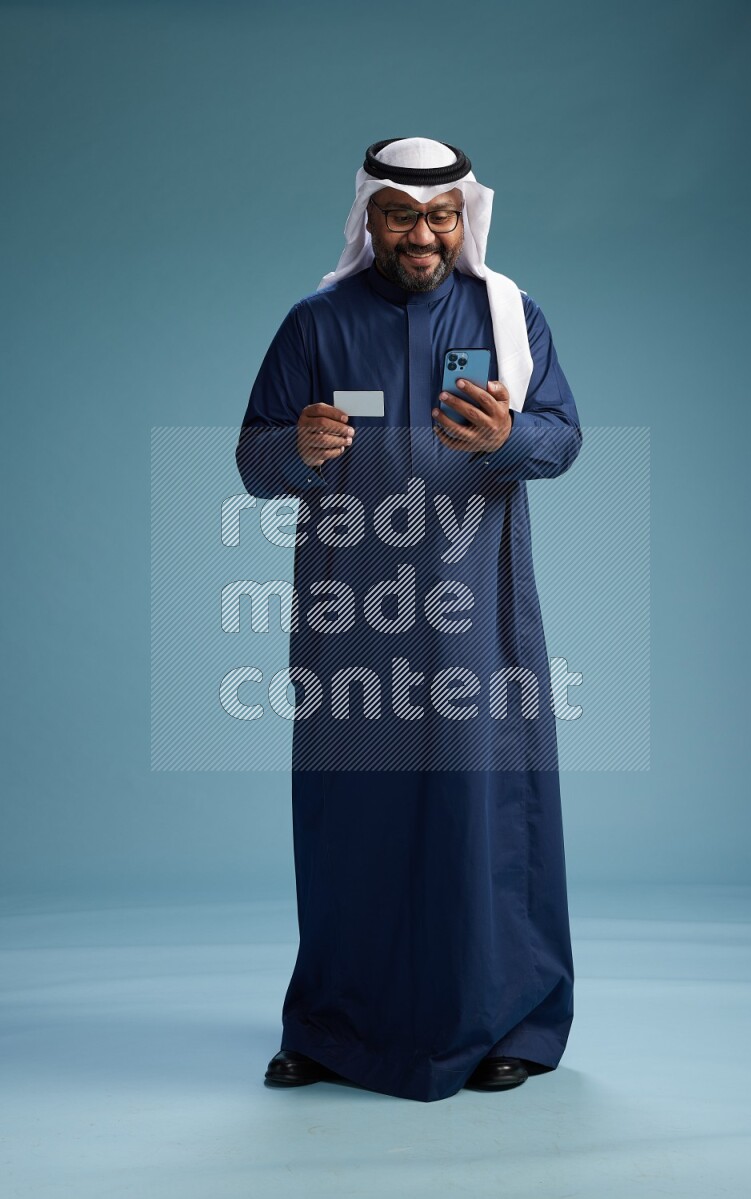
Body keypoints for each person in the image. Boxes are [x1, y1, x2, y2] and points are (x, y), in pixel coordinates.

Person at [235, 137, 582, 1103]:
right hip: (352, 614)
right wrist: (295, 447)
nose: (422, 234)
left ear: (464, 218)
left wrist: (513, 436)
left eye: (440, 216)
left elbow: (563, 436)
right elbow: (252, 458)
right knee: (353, 820)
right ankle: (334, 1026)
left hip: (478, 612)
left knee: (482, 816)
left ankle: (509, 1019)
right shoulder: (316, 321)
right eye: (399, 215)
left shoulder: (509, 316)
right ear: (368, 220)